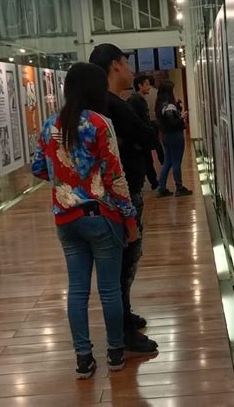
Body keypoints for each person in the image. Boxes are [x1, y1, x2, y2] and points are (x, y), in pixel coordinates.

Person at [31, 62, 139, 379]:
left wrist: (64, 178)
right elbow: (115, 177)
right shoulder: (99, 123)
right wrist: (130, 220)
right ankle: (116, 352)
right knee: (108, 290)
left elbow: (38, 168)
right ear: (95, 89)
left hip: (65, 218)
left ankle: (83, 359)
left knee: (77, 290)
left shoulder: (51, 125)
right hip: (101, 215)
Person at [89, 44, 158, 354]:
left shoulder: (97, 107)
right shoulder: (114, 107)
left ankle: (124, 318)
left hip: (109, 195)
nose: (131, 71)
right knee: (126, 261)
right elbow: (148, 138)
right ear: (115, 66)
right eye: (127, 64)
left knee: (123, 262)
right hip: (122, 194)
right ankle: (123, 332)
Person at [155, 80, 192, 197]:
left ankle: (162, 187)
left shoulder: (161, 104)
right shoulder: (169, 106)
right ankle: (179, 187)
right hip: (175, 135)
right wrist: (181, 117)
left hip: (166, 136)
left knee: (168, 161)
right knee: (176, 162)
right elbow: (172, 123)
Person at [129, 74, 159, 190]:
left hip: (144, 138)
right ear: (139, 86)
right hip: (141, 139)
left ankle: (154, 181)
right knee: (145, 161)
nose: (149, 87)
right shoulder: (136, 100)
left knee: (148, 161)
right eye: (146, 84)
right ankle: (153, 182)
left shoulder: (140, 100)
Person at [145, 75, 165, 165]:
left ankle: (151, 162)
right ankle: (162, 160)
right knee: (159, 141)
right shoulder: (157, 92)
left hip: (148, 120)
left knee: (150, 141)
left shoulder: (144, 94)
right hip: (157, 119)